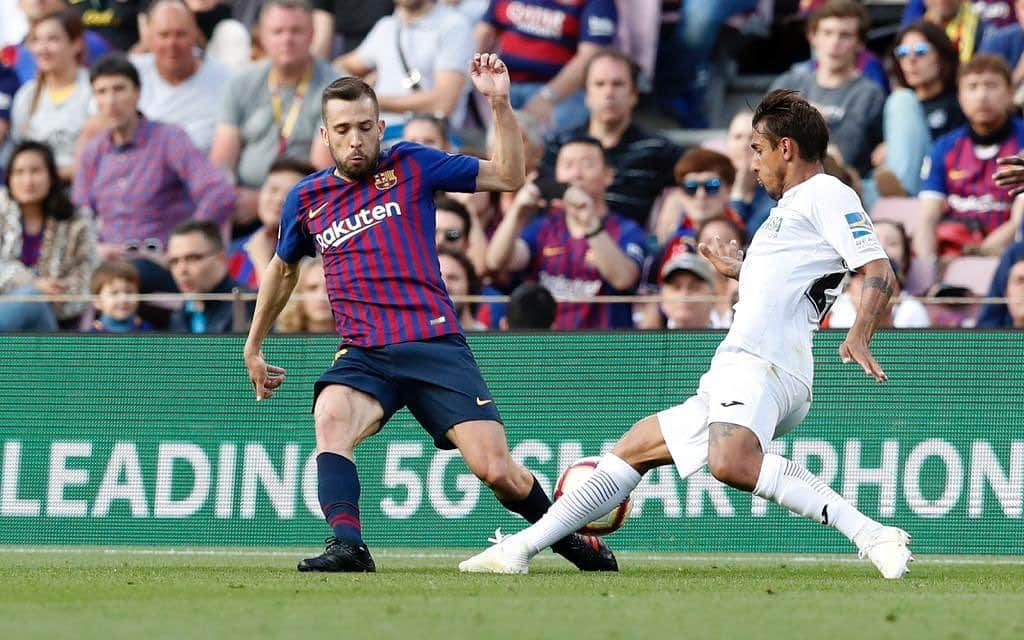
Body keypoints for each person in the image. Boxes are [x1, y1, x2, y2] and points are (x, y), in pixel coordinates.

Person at [459, 89, 914, 580]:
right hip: (744, 363)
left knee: (731, 462)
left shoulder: (826, 192)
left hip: (765, 363)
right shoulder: (791, 209)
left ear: (786, 148)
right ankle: (519, 550)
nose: (753, 164)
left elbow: (879, 269)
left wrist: (861, 332)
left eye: (757, 150)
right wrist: (743, 269)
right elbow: (798, 279)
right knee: (633, 449)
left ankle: (872, 533)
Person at [243, 55, 617, 573]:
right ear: (325, 135)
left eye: (366, 127)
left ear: (380, 127)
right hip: (364, 352)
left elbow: (508, 174)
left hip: (433, 343)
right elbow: (283, 269)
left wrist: (499, 102)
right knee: (330, 418)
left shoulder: (412, 164)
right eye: (344, 129)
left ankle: (567, 536)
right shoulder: (306, 199)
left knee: (495, 470)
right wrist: (254, 343)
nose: (356, 139)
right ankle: (348, 545)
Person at [74, 53, 236, 294]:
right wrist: (95, 247)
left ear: (138, 93)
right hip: (106, 264)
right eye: (102, 92)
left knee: (125, 278)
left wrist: (182, 249)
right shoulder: (93, 151)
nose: (111, 100)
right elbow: (80, 212)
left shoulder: (168, 138)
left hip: (157, 262)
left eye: (119, 89)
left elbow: (218, 192)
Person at [485, 135, 648, 329]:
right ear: (557, 176)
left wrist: (590, 222)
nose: (576, 174)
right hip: (547, 348)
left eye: (587, 165)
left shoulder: (626, 230)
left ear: (608, 175)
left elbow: (623, 279)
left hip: (605, 350)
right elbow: (497, 261)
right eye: (568, 165)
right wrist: (517, 212)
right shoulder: (543, 227)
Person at [210, 0, 334, 232]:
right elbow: (222, 164)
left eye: (296, 31)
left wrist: (262, 201)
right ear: (262, 37)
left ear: (312, 34)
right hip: (242, 209)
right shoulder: (240, 83)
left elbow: (320, 173)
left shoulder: (334, 88)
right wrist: (229, 197)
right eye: (278, 32)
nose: (287, 40)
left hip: (306, 209)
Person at [540, 49, 681, 228]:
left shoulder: (659, 149)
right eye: (600, 84)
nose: (609, 93)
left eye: (618, 84)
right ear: (587, 95)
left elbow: (698, 180)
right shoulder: (559, 144)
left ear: (634, 94)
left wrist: (678, 196)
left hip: (631, 248)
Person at [916, 54, 1024, 263]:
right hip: (952, 251)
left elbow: (1018, 222)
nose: (982, 95)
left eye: (991, 86)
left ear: (1010, 92)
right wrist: (927, 265)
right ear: (960, 96)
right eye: (972, 87)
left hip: (1008, 257)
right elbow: (927, 218)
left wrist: (974, 258)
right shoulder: (944, 147)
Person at [769, 0, 885, 176]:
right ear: (813, 37)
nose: (835, 43)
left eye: (845, 35)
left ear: (860, 43)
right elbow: (764, 138)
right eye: (827, 33)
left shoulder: (869, 93)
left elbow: (847, 153)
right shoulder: (788, 83)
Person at [334, 0, 474, 138]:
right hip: (379, 136)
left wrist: (373, 100)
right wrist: (361, 85)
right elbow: (340, 67)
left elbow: (444, 103)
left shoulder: (453, 25)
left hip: (429, 139)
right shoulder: (386, 26)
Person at [0, 140, 96, 330]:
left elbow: (87, 278)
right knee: (30, 295)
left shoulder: (76, 221)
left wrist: (50, 293)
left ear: (51, 176)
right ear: (9, 179)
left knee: (32, 299)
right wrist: (33, 285)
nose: (27, 181)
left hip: (53, 324)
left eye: (35, 171)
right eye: (19, 172)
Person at [872, 22, 964, 198]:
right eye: (903, 53)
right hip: (885, 188)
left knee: (902, 99)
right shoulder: (891, 104)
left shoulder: (958, 102)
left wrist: (894, 147)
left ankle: (900, 192)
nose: (911, 60)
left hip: (929, 187)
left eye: (921, 51)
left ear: (941, 55)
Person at [130, 0, 233, 154]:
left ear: (195, 35)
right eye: (163, 35)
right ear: (149, 38)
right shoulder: (131, 74)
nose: (172, 44)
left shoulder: (227, 80)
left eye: (180, 34)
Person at [10, 10, 92, 181]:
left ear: (76, 44)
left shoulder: (95, 89)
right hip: (38, 195)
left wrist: (52, 177)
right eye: (37, 40)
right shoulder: (26, 96)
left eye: (53, 39)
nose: (42, 49)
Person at [227, 156, 314, 288]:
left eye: (290, 194)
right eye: (273, 190)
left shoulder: (315, 257)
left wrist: (261, 261)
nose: (279, 199)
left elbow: (286, 308)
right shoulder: (233, 252)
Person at [167, 219, 255, 333]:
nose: (181, 270)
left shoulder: (248, 306)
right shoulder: (179, 316)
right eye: (174, 261)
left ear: (221, 258)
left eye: (193, 258)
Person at [87, 259, 154, 332]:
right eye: (114, 293)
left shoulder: (146, 330)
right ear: (97, 301)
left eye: (129, 292)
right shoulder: (92, 335)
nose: (123, 299)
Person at [275, 255, 334, 332]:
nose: (321, 296)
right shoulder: (281, 340)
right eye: (312, 288)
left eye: (330, 288)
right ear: (298, 292)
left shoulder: (353, 340)